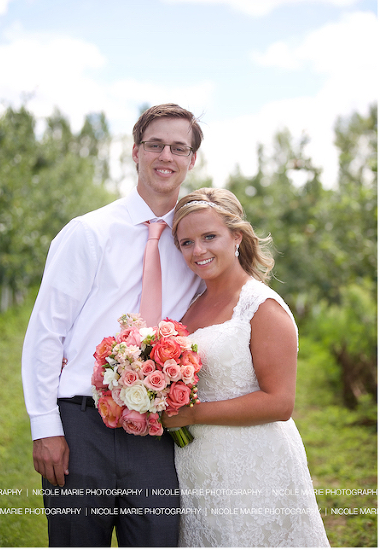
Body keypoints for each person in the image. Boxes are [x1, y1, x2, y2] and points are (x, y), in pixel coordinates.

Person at [22, 103, 205, 546]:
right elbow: (47, 332)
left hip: (160, 430)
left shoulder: (197, 243)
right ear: (135, 152)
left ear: (192, 160)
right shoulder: (89, 232)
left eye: (178, 148)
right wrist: (45, 427)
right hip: (82, 426)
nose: (166, 155)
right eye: (155, 144)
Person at [164, 188, 329, 547]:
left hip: (254, 466)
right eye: (186, 242)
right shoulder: (191, 305)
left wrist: (192, 415)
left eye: (210, 237)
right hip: (197, 467)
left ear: (236, 236)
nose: (199, 251)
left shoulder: (262, 306)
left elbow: (279, 403)